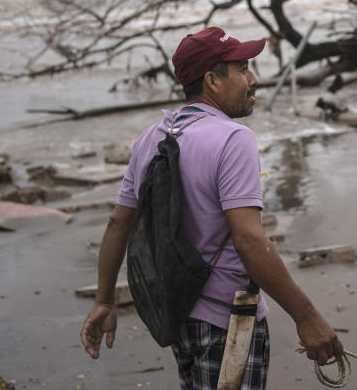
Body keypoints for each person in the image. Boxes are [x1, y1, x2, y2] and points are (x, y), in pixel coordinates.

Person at [80, 26, 343, 389]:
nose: (254, 80)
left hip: (177, 315)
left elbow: (117, 224)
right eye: (243, 69)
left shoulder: (152, 138)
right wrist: (307, 316)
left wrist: (104, 300)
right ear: (212, 81)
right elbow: (249, 239)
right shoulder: (234, 139)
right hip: (229, 320)